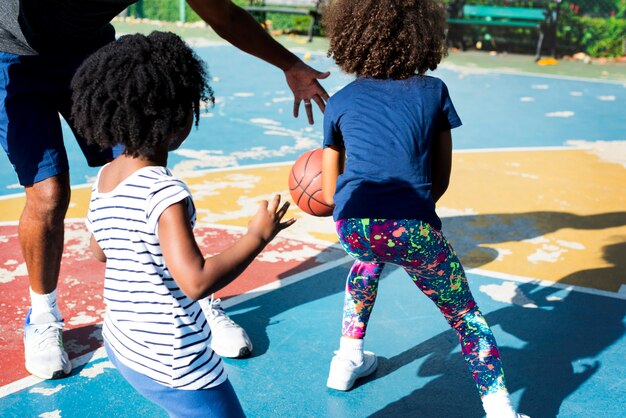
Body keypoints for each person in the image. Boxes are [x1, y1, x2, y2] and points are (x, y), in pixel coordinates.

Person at [0, 0, 329, 380]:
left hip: (88, 51)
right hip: (14, 57)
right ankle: (43, 314)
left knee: (145, 163)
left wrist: (290, 64)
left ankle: (197, 298)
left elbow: (226, 16)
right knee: (49, 193)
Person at [320, 1, 528, 417]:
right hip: (412, 225)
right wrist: (408, 216)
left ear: (349, 36)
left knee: (367, 260)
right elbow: (440, 180)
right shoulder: (433, 92)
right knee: (467, 317)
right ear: (423, 35)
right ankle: (500, 409)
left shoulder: (339, 101)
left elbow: (328, 194)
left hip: (354, 226)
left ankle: (346, 359)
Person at [74, 31, 294, 417]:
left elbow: (98, 250)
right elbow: (196, 282)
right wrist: (258, 236)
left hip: (125, 341)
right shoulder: (164, 192)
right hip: (175, 357)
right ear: (176, 119)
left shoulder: (107, 175)